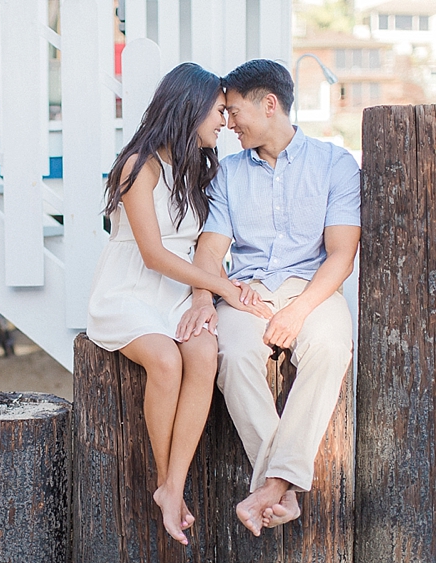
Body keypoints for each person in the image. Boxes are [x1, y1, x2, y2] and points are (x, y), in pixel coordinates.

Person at [86, 62, 271, 545]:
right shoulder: (138, 165)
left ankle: (172, 486)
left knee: (204, 353)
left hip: (177, 292)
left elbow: (200, 249)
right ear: (190, 109)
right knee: (166, 361)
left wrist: (204, 297)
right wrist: (225, 289)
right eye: (217, 111)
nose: (224, 122)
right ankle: (169, 483)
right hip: (130, 289)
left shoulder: (199, 169)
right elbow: (154, 253)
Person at [179, 59, 361, 537]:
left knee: (328, 348)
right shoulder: (228, 174)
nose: (228, 122)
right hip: (248, 291)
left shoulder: (335, 164)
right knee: (234, 354)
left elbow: (341, 255)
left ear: (270, 104)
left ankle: (270, 485)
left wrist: (299, 311)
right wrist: (203, 297)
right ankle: (283, 490)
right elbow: (211, 250)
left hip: (312, 287)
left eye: (235, 111)